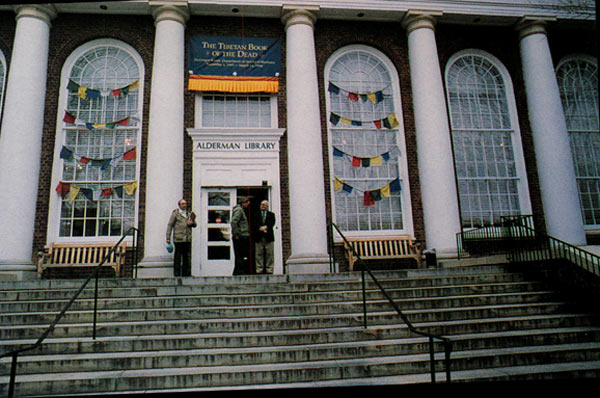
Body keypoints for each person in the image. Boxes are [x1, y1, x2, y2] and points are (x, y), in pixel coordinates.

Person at [166, 199, 197, 277]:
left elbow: (195, 225)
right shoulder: (176, 214)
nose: (184, 205)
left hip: (187, 239)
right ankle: (177, 274)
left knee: (186, 257)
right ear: (179, 205)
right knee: (178, 257)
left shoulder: (188, 214)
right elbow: (170, 225)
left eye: (185, 204)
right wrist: (168, 237)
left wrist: (192, 222)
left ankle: (186, 273)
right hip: (178, 238)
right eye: (182, 204)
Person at [253, 200, 275, 274]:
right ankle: (259, 269)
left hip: (268, 236)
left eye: (264, 205)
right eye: (261, 204)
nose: (262, 206)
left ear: (267, 206)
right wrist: (259, 228)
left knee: (269, 254)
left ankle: (269, 269)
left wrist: (265, 228)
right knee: (259, 254)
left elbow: (272, 223)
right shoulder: (256, 214)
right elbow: (253, 223)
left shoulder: (271, 214)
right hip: (258, 237)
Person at [231, 196, 250, 275]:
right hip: (240, 237)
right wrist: (237, 234)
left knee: (241, 255)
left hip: (241, 236)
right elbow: (234, 222)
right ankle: (239, 272)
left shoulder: (240, 209)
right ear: (243, 203)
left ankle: (238, 271)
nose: (248, 204)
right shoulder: (239, 210)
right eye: (247, 202)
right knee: (240, 254)